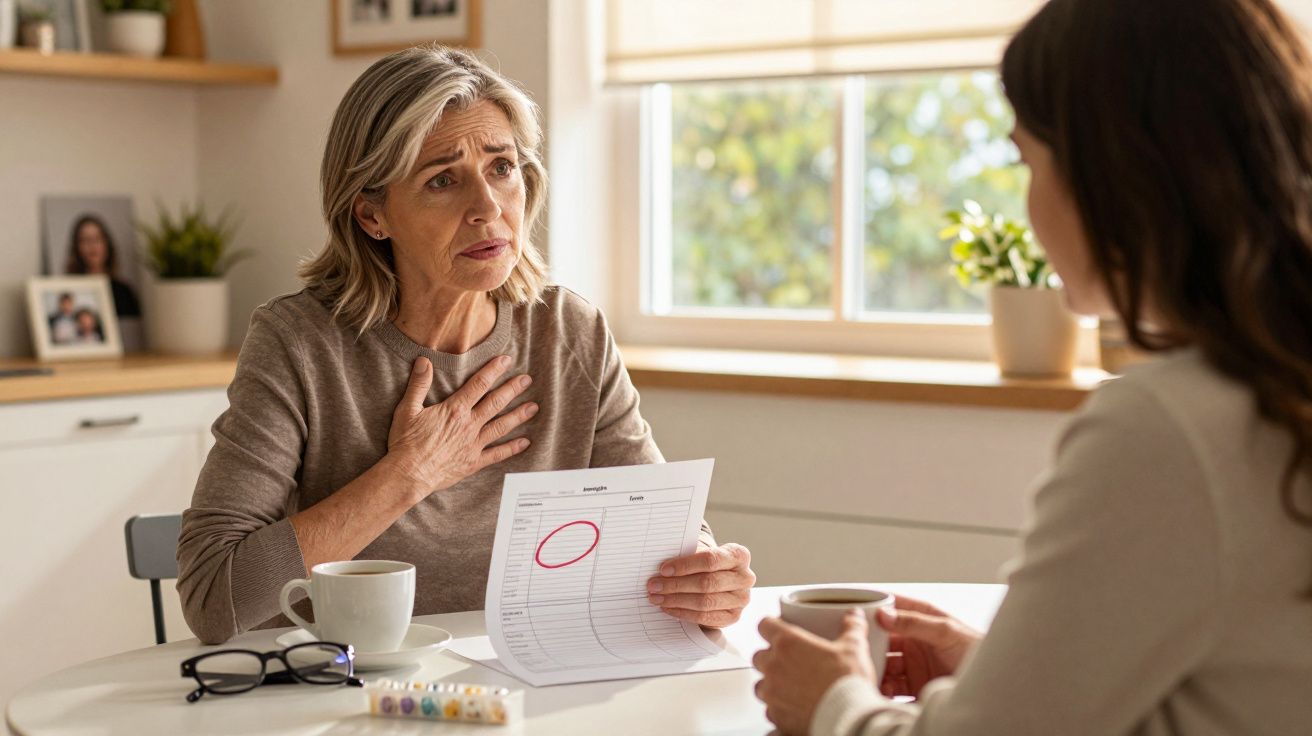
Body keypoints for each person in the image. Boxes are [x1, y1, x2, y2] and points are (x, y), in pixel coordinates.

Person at [753, 0, 1312, 733]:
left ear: (1111, 169)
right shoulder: (1277, 388)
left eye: (1027, 160)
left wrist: (832, 703)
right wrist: (1007, 671)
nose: (1027, 200)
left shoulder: (1170, 426)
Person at [176, 46, 755, 645]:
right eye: (442, 180)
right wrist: (410, 472)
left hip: (530, 689)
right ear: (373, 216)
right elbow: (214, 598)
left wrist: (707, 575)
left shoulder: (570, 333)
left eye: (501, 167)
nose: (488, 208)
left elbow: (658, 529)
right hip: (348, 692)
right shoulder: (298, 344)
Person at [64, 214, 141, 319]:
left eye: (98, 238)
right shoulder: (69, 290)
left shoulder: (123, 292)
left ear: (107, 244)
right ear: (76, 247)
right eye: (85, 240)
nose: (92, 245)